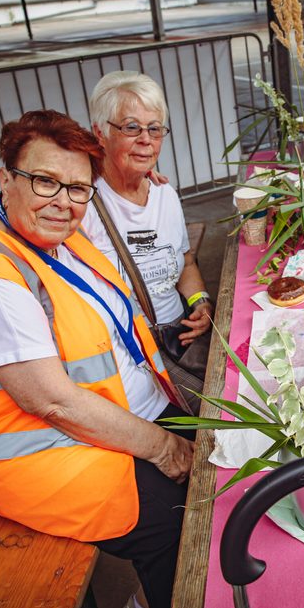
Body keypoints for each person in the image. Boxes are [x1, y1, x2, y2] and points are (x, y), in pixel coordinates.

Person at [0, 110, 194, 608]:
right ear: (5, 179)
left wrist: (142, 176)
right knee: (177, 520)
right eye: (44, 181)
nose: (63, 201)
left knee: (226, 462)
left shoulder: (51, 232)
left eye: (78, 188)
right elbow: (54, 402)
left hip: (111, 415)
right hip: (38, 451)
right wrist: (165, 448)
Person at [79, 71, 213, 400]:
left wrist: (200, 303)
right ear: (100, 133)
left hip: (178, 340)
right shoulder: (81, 204)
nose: (146, 139)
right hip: (129, 357)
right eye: (130, 127)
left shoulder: (165, 194)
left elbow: (185, 260)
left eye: (155, 128)